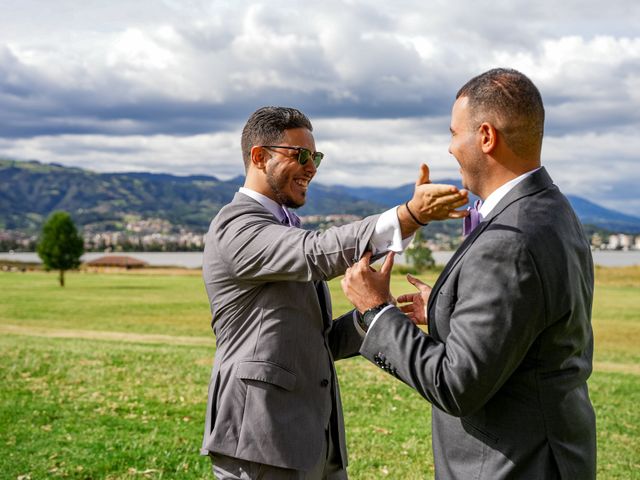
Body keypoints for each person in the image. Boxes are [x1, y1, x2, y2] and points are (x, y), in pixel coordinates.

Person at [340, 69, 596, 479]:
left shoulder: (510, 240)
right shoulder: (552, 209)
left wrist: (376, 312)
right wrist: (447, 311)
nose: (449, 148)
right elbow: (524, 328)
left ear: (486, 137)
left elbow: (456, 385)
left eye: (454, 133)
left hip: (511, 464)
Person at [200, 106, 468, 479]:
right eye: (301, 155)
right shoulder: (235, 226)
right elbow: (316, 251)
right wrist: (408, 216)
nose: (312, 168)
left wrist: (372, 315)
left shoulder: (281, 228)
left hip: (314, 441)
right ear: (259, 157)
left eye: (316, 158)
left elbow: (315, 340)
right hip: (261, 441)